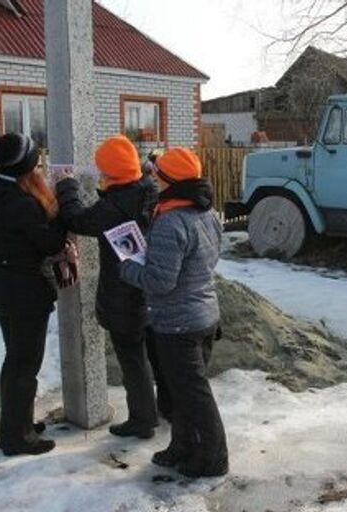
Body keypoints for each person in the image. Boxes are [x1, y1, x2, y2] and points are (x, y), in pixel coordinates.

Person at [120, 148, 228, 478]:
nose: (152, 177)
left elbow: (159, 281)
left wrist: (128, 268)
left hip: (178, 325)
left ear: (169, 181)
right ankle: (182, 447)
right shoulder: (206, 212)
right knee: (181, 393)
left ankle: (212, 460)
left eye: (157, 173)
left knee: (195, 397)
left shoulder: (171, 221)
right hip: (203, 316)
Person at [54, 134, 163, 439]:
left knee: (133, 361)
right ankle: (166, 409)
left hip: (125, 294)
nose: (98, 175)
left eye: (103, 171)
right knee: (154, 355)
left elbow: (77, 219)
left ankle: (143, 420)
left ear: (113, 175)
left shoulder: (115, 205)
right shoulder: (148, 190)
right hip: (153, 289)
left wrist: (66, 186)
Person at [0, 133, 67, 456]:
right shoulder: (21, 204)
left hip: (1, 283)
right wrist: (64, 208)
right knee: (24, 365)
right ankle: (17, 438)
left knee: (15, 361)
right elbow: (51, 243)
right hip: (25, 289)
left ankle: (19, 423)